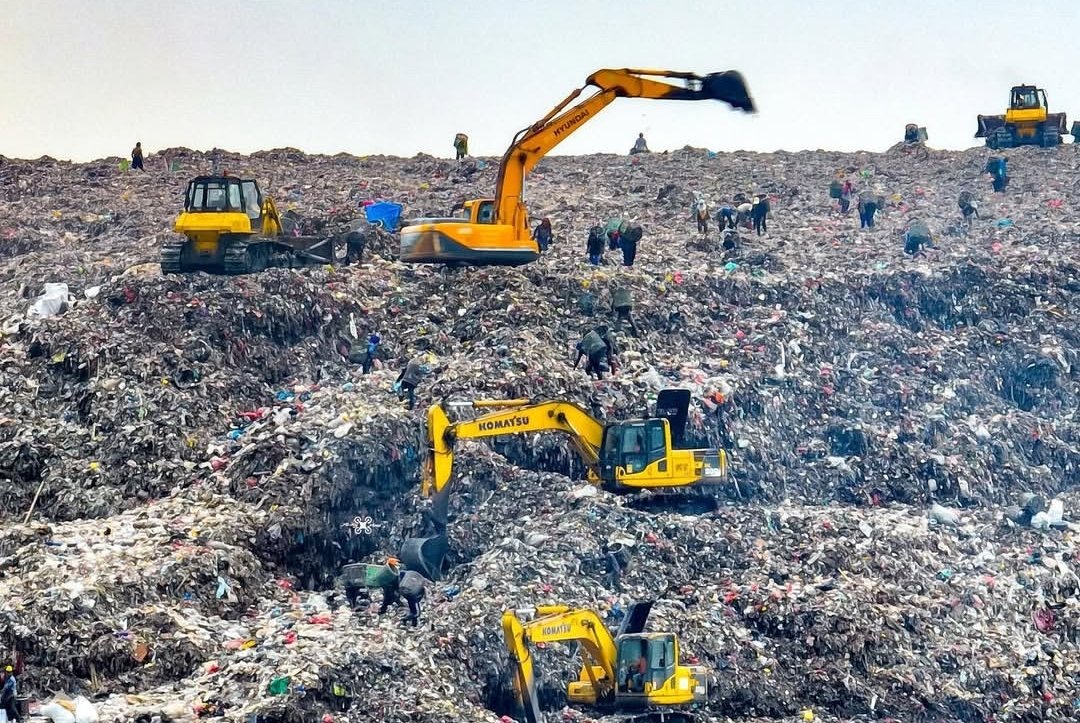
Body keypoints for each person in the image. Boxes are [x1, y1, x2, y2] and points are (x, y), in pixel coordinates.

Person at [376, 558, 429, 626]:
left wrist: (383, 608)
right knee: (396, 596)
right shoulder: (400, 577)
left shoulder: (406, 587)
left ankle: (413, 621)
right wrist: (383, 608)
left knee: (414, 610)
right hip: (412, 585)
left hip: (413, 590)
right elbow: (388, 597)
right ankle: (412, 621)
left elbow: (388, 597)